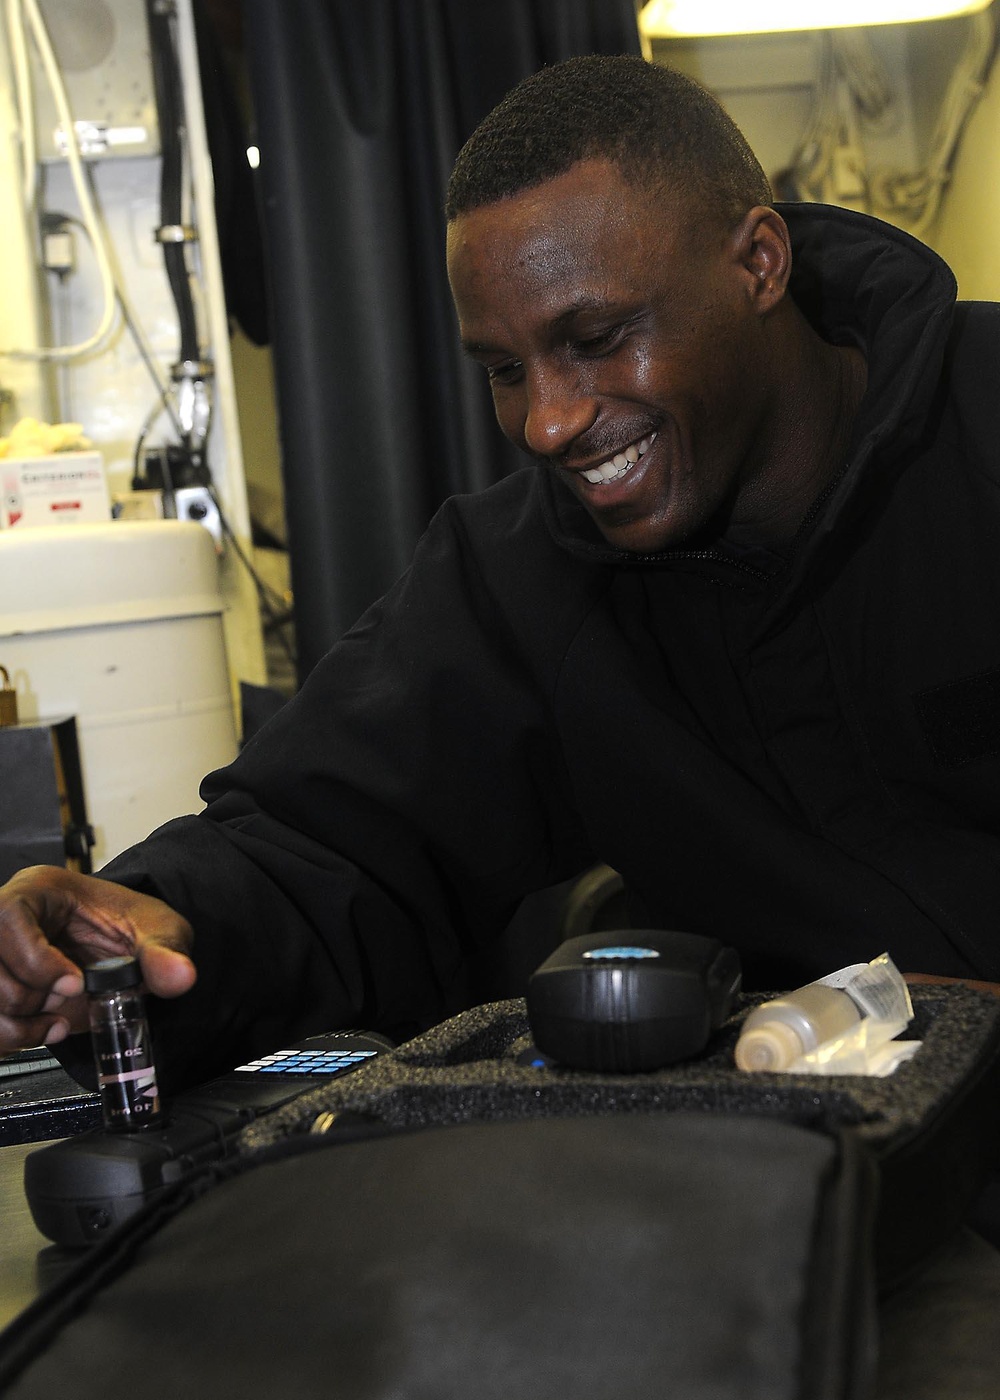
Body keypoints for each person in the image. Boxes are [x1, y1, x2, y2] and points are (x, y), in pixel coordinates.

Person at [1, 53, 999, 1093]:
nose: (550, 420)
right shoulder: (521, 578)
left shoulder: (981, 425)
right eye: (506, 371)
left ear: (757, 263)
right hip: (850, 1183)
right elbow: (325, 847)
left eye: (598, 337)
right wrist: (143, 922)